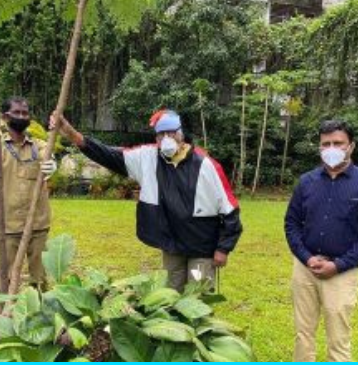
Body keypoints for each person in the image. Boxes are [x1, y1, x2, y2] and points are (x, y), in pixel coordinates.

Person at [50, 108, 242, 292]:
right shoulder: (147, 158)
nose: (166, 139)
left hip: (202, 247)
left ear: (181, 133)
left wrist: (223, 249)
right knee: (171, 294)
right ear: (156, 137)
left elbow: (230, 210)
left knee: (198, 295)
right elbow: (107, 154)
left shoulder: (206, 165)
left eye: (171, 133)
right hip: (172, 245)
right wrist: (70, 133)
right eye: (161, 134)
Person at [285, 120, 358, 362]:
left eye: (338, 143)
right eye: (325, 144)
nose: (331, 148)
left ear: (350, 146)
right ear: (319, 147)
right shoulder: (306, 182)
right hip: (305, 269)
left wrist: (338, 265)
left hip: (342, 273)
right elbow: (291, 224)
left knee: (339, 340)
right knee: (303, 334)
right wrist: (307, 257)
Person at [0, 97, 57, 289]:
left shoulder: (37, 145)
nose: (22, 117)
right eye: (17, 113)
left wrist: (52, 163)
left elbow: (46, 155)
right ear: (6, 117)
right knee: (7, 278)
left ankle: (39, 311)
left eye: (25, 113)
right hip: (8, 225)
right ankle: (6, 311)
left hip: (37, 223)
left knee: (39, 278)